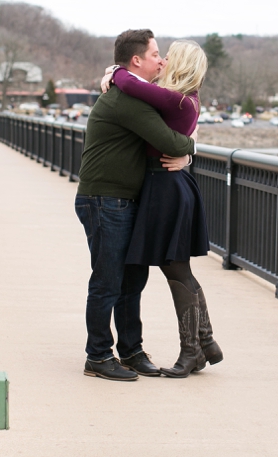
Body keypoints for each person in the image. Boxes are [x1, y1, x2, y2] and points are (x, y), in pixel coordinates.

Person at [75, 30, 196, 382]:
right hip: (104, 200)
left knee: (132, 280)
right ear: (136, 61)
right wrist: (192, 147)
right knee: (108, 280)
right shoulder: (126, 101)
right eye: (156, 54)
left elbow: (172, 135)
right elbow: (170, 140)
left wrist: (186, 152)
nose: (163, 60)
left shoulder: (133, 93)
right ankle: (97, 356)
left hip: (123, 200)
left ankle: (131, 351)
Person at [102, 39, 223, 378]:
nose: (164, 60)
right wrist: (189, 152)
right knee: (179, 270)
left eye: (169, 56)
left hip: (166, 189)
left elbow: (126, 81)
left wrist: (114, 71)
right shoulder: (187, 99)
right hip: (167, 186)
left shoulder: (176, 99)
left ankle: (193, 352)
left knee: (176, 270)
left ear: (181, 64)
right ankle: (205, 343)